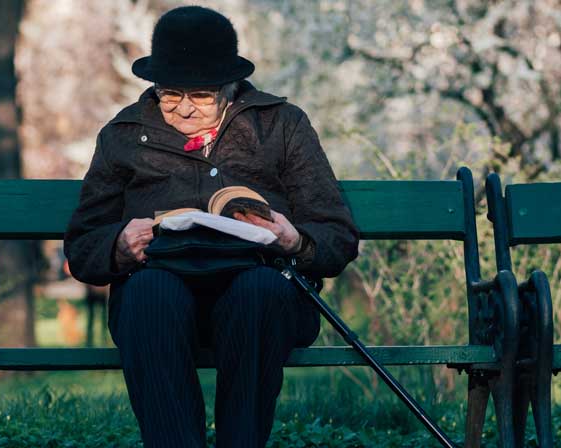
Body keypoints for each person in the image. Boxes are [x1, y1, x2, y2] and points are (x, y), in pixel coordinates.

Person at [64, 6, 359, 447]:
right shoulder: (123, 135)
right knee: (148, 294)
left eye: (200, 96)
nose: (183, 109)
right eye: (169, 94)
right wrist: (120, 245)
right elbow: (84, 243)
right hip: (161, 294)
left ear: (230, 87)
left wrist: (295, 240)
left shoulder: (280, 125)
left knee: (257, 292)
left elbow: (337, 234)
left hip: (260, 295)